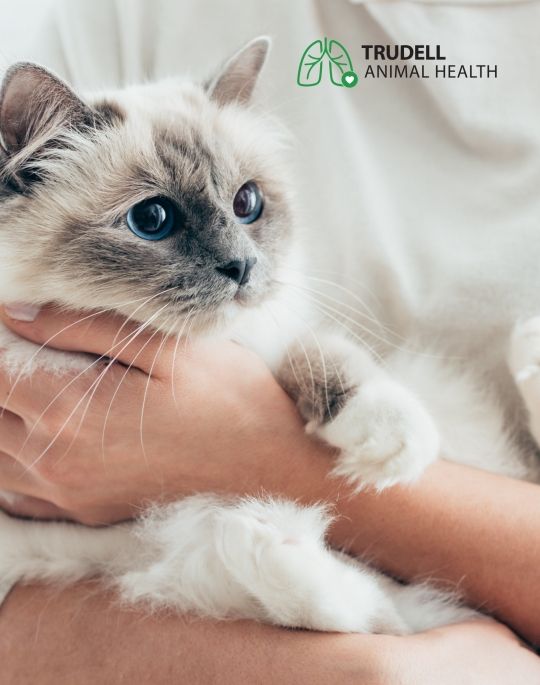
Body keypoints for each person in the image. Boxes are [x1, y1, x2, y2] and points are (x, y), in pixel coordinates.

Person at [1, 0, 540, 682]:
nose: (236, 257)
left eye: (246, 206)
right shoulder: (124, 16)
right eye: (155, 217)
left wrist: (259, 451)